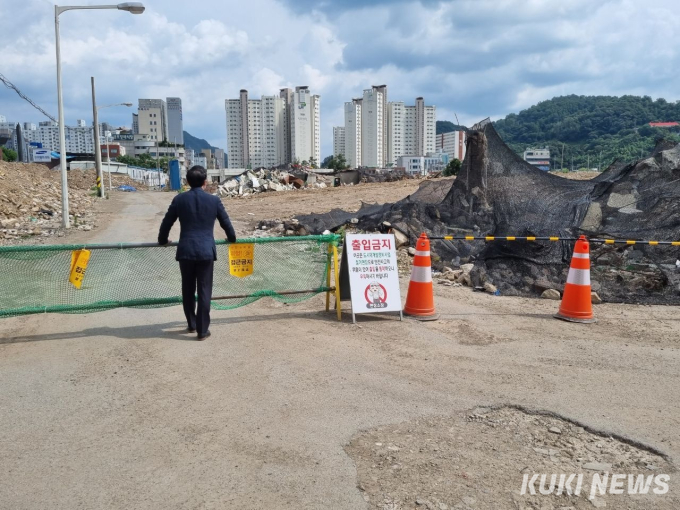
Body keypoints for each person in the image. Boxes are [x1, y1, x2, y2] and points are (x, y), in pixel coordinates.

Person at [158, 165, 236, 340]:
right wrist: (232, 238)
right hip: (206, 252)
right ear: (205, 182)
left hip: (185, 250)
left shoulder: (179, 199)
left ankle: (192, 324)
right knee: (204, 290)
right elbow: (226, 223)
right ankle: (202, 330)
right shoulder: (214, 201)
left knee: (187, 289)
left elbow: (166, 223)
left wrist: (162, 240)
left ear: (187, 182)